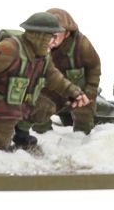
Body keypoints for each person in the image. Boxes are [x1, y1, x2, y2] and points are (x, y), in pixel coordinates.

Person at [0, 12, 90, 150]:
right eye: (51, 37)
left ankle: (21, 134)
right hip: (2, 107)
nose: (55, 42)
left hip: (23, 104)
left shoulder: (43, 56)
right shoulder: (9, 48)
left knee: (45, 107)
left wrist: (74, 92)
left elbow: (55, 78)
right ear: (38, 35)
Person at [24, 8, 101, 136]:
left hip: (77, 90)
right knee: (39, 110)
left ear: (67, 34)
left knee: (84, 116)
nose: (50, 39)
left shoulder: (82, 45)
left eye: (55, 35)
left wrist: (90, 90)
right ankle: (44, 136)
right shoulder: (37, 45)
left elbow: (94, 67)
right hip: (50, 90)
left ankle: (82, 137)